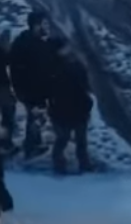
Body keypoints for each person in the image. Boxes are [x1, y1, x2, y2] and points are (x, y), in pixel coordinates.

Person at [8, 10, 57, 156]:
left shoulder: (31, 42)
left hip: (34, 90)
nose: (47, 27)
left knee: (35, 118)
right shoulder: (28, 44)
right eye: (44, 23)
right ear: (36, 25)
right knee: (35, 117)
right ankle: (31, 147)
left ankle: (33, 143)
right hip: (32, 91)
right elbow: (23, 70)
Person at [47, 37, 93, 174]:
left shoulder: (50, 68)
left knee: (64, 139)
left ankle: (60, 165)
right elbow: (85, 87)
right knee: (78, 140)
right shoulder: (73, 66)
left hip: (63, 110)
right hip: (75, 109)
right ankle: (84, 166)